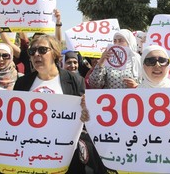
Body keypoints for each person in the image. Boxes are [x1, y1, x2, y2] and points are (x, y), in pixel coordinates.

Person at [12, 35, 105, 173]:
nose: (36, 54)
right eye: (32, 51)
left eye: (42, 50)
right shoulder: (22, 83)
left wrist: (86, 112)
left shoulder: (75, 81)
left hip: (64, 155)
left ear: (55, 53)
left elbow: (85, 119)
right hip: (31, 152)